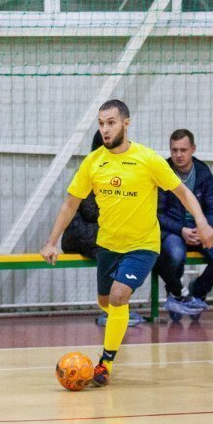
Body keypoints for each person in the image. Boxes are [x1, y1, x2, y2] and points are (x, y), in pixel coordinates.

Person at [40, 100, 213, 386]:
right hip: (108, 245)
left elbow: (183, 192)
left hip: (142, 245)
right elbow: (71, 204)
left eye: (111, 123)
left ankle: (104, 364)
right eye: (101, 124)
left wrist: (202, 222)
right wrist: (51, 242)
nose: (105, 129)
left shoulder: (148, 159)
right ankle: (118, 322)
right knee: (105, 301)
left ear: (126, 123)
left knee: (119, 296)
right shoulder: (93, 162)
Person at [61, 130, 144, 328]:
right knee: (114, 250)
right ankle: (111, 310)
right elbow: (90, 211)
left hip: (96, 231)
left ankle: (117, 306)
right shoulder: (92, 169)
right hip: (80, 234)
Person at [155, 129, 213, 319]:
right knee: (175, 255)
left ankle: (197, 292)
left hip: (200, 230)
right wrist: (181, 230)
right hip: (173, 231)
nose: (178, 155)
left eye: (183, 150)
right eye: (174, 150)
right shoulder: (162, 172)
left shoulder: (203, 173)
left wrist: (203, 229)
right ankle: (177, 296)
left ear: (193, 149)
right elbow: (156, 213)